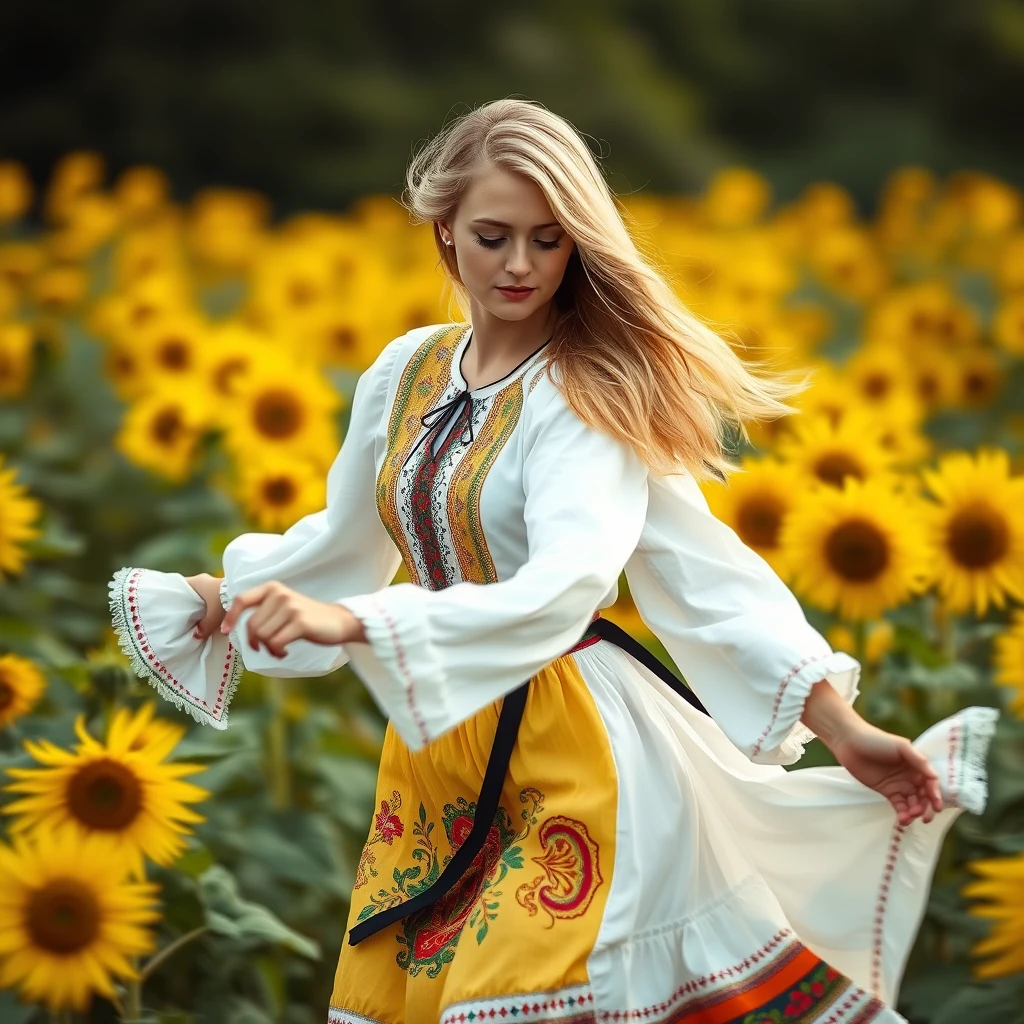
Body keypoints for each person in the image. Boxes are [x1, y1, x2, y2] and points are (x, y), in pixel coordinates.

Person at [109, 98, 997, 1024]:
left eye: (548, 239)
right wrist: (232, 594)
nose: (521, 265)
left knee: (519, 998)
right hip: (438, 758)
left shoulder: (585, 392)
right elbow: (344, 541)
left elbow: (645, 579)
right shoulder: (406, 372)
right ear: (445, 232)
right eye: (493, 236)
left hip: (580, 745)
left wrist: (843, 729)